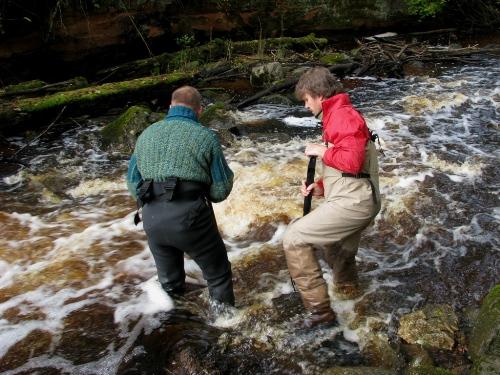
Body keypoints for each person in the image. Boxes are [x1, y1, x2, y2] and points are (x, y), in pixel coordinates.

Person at [283, 67, 381, 328]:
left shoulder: (342, 117)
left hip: (354, 202)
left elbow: (351, 161)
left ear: (319, 95)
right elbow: (352, 169)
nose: (305, 106)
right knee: (337, 251)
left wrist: (321, 151)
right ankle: (353, 301)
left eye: (305, 100)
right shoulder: (339, 114)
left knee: (294, 238)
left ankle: (321, 314)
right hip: (358, 196)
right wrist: (320, 188)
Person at [126, 85, 235, 306]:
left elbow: (133, 182)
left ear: (170, 106)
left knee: (170, 283)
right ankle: (225, 326)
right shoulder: (206, 138)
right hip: (190, 217)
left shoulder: (146, 135)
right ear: (199, 111)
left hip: (152, 218)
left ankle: (174, 324)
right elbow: (221, 189)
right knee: (218, 276)